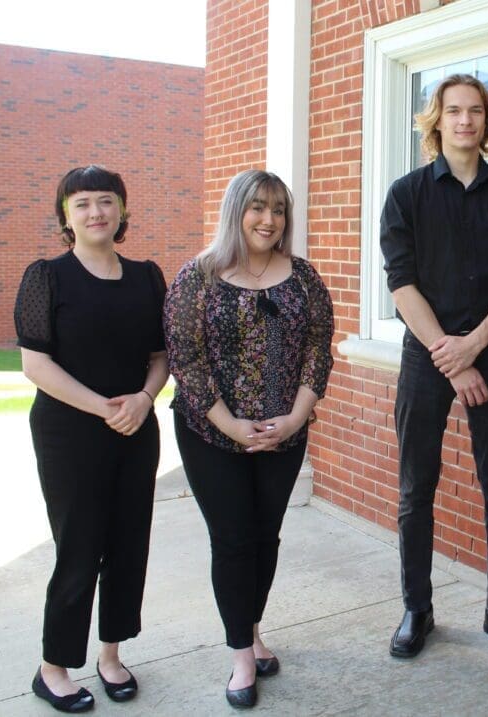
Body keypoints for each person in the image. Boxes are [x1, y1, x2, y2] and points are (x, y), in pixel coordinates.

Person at [379, 73, 488, 660]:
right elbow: (401, 284)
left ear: (487, 122)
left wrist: (473, 346)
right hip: (426, 359)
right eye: (454, 111)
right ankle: (416, 609)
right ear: (437, 120)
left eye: (476, 111)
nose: (466, 121)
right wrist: (451, 358)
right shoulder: (406, 194)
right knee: (414, 490)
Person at [163, 170, 334, 708]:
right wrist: (231, 424)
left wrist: (295, 419)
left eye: (279, 209)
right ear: (236, 210)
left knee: (266, 538)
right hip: (211, 434)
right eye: (258, 207)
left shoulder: (303, 277)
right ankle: (242, 655)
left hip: (284, 434)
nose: (269, 219)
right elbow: (184, 360)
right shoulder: (199, 276)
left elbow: (318, 350)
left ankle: (253, 629)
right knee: (233, 540)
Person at [14, 165, 168, 713]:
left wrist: (145, 399)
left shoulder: (148, 277)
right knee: (79, 548)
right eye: (82, 203)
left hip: (136, 427)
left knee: (128, 546)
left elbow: (159, 356)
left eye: (106, 201)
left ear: (122, 210)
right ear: (65, 216)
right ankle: (53, 667)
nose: (96, 212)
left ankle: (111, 655)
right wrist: (104, 407)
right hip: (70, 433)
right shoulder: (46, 277)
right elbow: (35, 363)